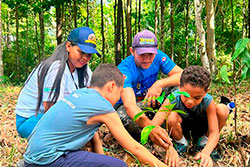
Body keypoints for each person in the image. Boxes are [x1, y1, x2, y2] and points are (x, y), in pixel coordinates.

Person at [23, 64, 169, 167]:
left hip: (32, 157)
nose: (119, 97)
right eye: (120, 92)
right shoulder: (103, 106)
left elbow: (94, 136)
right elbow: (134, 148)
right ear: (111, 86)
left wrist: (101, 161)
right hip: (47, 160)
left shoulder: (79, 93)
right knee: (118, 165)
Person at [15, 27, 100, 138]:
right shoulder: (55, 68)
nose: (85, 57)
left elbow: (92, 96)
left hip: (54, 116)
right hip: (31, 120)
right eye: (81, 52)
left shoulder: (84, 69)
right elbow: (51, 111)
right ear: (68, 46)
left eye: (89, 55)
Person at [153, 66, 231, 167]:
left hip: (200, 129)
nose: (190, 101)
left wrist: (206, 152)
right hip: (180, 129)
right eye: (186, 95)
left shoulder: (208, 100)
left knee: (223, 109)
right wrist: (168, 147)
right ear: (180, 86)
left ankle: (203, 143)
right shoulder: (173, 97)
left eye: (197, 97)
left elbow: (214, 132)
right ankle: (181, 143)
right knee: (171, 115)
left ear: (206, 91)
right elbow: (153, 125)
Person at [116, 29, 183, 148]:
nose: (147, 59)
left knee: (179, 88)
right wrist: (151, 127)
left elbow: (182, 76)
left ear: (156, 51)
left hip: (152, 99)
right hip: (133, 106)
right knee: (122, 116)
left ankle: (162, 124)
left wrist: (159, 83)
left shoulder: (159, 57)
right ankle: (156, 132)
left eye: (150, 54)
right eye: (142, 54)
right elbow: (130, 106)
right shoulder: (125, 69)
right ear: (132, 51)